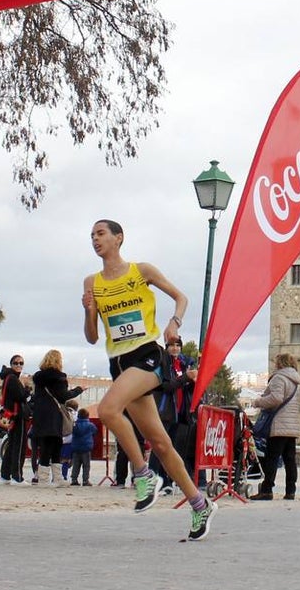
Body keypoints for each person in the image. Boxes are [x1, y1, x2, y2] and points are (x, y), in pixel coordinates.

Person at [82, 218, 217, 541]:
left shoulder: (141, 271)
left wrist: (174, 323)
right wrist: (89, 310)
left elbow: (180, 297)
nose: (95, 239)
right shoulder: (91, 282)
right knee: (160, 442)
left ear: (119, 238)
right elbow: (90, 337)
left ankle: (144, 475)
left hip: (147, 355)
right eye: (91, 236)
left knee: (109, 409)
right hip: (119, 363)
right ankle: (200, 503)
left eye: (101, 234)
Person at [249, 352, 300, 501]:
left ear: (280, 363)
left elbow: (276, 398)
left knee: (271, 457)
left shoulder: (279, 378)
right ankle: (291, 490)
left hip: (279, 424)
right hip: (291, 426)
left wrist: (258, 402)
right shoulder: (297, 381)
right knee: (290, 459)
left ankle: (267, 490)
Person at [30, 349, 84, 486]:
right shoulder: (59, 377)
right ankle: (55, 478)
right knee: (55, 445)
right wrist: (79, 389)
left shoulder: (39, 378)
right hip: (54, 414)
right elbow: (63, 396)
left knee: (45, 446)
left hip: (40, 414)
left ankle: (43, 477)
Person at [151, 339, 197, 492]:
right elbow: (166, 386)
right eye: (172, 345)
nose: (175, 348)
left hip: (179, 412)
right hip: (165, 411)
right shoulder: (162, 362)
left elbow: (185, 387)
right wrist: (185, 377)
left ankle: (167, 481)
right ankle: (152, 479)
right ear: (167, 347)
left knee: (172, 449)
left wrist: (192, 380)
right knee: (159, 447)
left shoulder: (183, 364)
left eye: (178, 345)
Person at [0, 354, 29, 484]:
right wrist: (27, 389)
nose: (19, 365)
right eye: (16, 363)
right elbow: (20, 396)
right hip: (17, 416)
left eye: (21, 363)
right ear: (11, 364)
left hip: (11, 416)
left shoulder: (7, 377)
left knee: (12, 446)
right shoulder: (12, 379)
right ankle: (17, 476)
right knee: (19, 446)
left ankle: (5, 476)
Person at [66, 408, 98, 486]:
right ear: (87, 416)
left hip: (76, 448)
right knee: (86, 465)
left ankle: (74, 479)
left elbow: (71, 431)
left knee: (76, 465)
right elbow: (95, 431)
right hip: (86, 448)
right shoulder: (90, 425)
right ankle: (85, 480)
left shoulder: (74, 424)